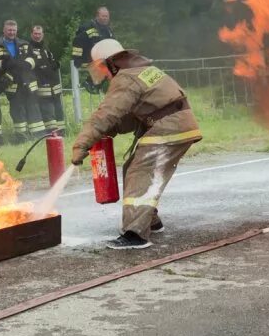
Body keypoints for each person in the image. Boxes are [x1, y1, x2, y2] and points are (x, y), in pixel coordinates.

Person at [70, 39, 202, 249]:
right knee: (133, 167)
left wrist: (81, 144)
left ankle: (135, 233)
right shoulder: (141, 71)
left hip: (169, 127)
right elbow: (129, 116)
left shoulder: (126, 78)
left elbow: (106, 114)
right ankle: (150, 220)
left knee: (140, 172)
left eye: (103, 67)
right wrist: (106, 132)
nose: (104, 74)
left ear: (112, 63)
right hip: (177, 123)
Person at [0, 19, 41, 142]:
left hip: (27, 82)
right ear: (4, 30)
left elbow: (34, 59)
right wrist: (4, 66)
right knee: (17, 111)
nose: (11, 32)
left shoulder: (24, 43)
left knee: (33, 109)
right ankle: (21, 138)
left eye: (14, 30)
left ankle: (37, 137)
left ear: (16, 30)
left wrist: (26, 65)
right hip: (11, 84)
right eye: (9, 30)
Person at [28, 25, 66, 135]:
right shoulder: (29, 48)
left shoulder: (46, 48)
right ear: (31, 34)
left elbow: (52, 63)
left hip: (54, 88)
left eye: (39, 34)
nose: (37, 36)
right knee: (48, 113)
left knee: (59, 112)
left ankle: (62, 133)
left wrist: (54, 64)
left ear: (43, 34)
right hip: (43, 88)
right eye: (35, 34)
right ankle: (52, 135)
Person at [71, 7, 114, 94]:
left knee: (114, 67)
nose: (105, 18)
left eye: (107, 16)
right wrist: (77, 59)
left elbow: (112, 43)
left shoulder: (107, 30)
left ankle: (102, 87)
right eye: (103, 16)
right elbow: (78, 42)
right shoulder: (86, 27)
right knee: (104, 65)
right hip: (86, 59)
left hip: (101, 60)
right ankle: (90, 82)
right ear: (97, 16)